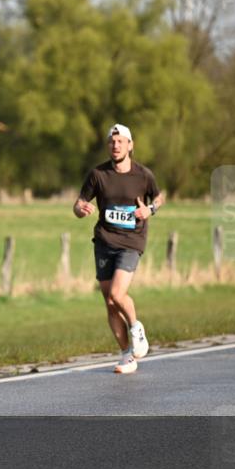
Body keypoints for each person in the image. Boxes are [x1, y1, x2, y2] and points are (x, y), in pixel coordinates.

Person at [74, 123, 165, 374]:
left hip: (131, 242)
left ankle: (136, 327)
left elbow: (159, 197)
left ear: (130, 145)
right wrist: (81, 209)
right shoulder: (98, 174)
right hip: (104, 241)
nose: (115, 145)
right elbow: (79, 203)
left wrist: (150, 209)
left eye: (120, 141)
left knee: (117, 293)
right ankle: (127, 356)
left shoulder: (143, 175)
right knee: (110, 302)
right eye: (112, 142)